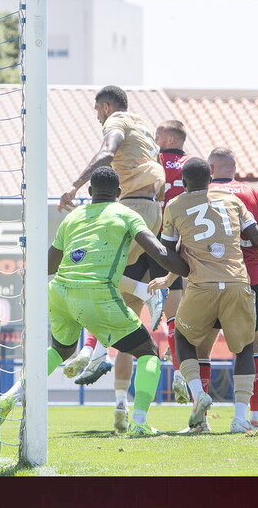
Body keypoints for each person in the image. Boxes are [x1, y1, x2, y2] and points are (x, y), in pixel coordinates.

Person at [0, 166, 189, 435]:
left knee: (61, 350)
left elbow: (49, 264)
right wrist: (188, 268)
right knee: (148, 352)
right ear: (119, 193)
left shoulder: (73, 218)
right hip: (97, 293)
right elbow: (159, 252)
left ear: (91, 191)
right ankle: (139, 422)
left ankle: (11, 395)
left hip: (59, 292)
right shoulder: (126, 214)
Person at [152, 147, 258, 431]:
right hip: (242, 281)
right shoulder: (238, 199)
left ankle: (200, 404)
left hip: (202, 284)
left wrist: (181, 269)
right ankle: (244, 418)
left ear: (185, 180)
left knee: (187, 340)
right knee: (246, 348)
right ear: (211, 174)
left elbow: (168, 253)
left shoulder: (176, 205)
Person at [57, 86, 167, 429]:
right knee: (123, 307)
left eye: (97, 112)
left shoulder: (117, 121)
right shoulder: (145, 127)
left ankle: (97, 351)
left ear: (105, 106)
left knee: (93, 275)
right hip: (151, 208)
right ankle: (120, 398)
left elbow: (107, 152)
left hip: (128, 205)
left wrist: (74, 185)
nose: (98, 118)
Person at [66, 120, 192, 408]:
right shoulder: (183, 166)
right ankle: (182, 376)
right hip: (166, 237)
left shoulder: (150, 161)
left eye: (159, 134)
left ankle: (106, 376)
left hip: (138, 227)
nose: (155, 138)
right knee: (175, 320)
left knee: (123, 315)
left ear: (170, 136)